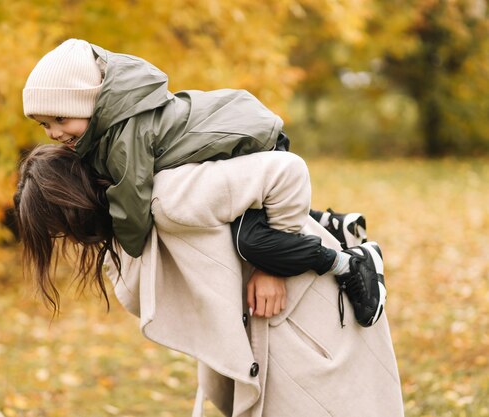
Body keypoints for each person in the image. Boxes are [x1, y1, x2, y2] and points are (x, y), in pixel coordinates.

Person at [13, 144, 404, 417]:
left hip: (309, 313)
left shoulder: (169, 196)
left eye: (60, 227)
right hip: (268, 331)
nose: (69, 239)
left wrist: (272, 268)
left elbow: (286, 171)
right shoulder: (126, 229)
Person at [22, 38, 383, 327]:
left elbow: (132, 204)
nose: (54, 133)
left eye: (60, 119)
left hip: (252, 144)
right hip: (242, 143)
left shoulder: (126, 142)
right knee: (249, 220)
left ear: (94, 104)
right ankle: (328, 222)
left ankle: (348, 263)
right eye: (44, 125)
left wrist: (129, 241)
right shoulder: (112, 131)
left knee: (254, 243)